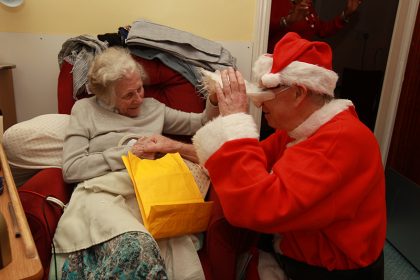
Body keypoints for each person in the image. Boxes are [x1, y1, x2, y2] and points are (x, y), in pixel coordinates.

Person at [191, 32, 386, 279]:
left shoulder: (340, 141)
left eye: (266, 91)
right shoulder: (301, 127)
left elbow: (256, 209)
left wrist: (234, 121)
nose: (259, 103)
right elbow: (254, 157)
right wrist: (173, 147)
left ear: (299, 93)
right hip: (301, 243)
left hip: (332, 268)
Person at [52, 47, 219, 279]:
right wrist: (127, 153)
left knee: (162, 251)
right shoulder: (85, 110)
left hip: (149, 195)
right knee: (135, 244)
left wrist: (213, 98)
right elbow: (72, 168)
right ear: (106, 98)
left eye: (140, 88)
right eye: (128, 95)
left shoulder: (153, 108)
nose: (139, 98)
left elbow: (200, 123)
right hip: (102, 193)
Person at [268, 0, 363, 52]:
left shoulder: (307, 5)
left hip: (301, 66)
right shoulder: (272, 3)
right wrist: (288, 21)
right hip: (279, 66)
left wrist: (346, 13)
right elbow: (264, 31)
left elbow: (322, 30)